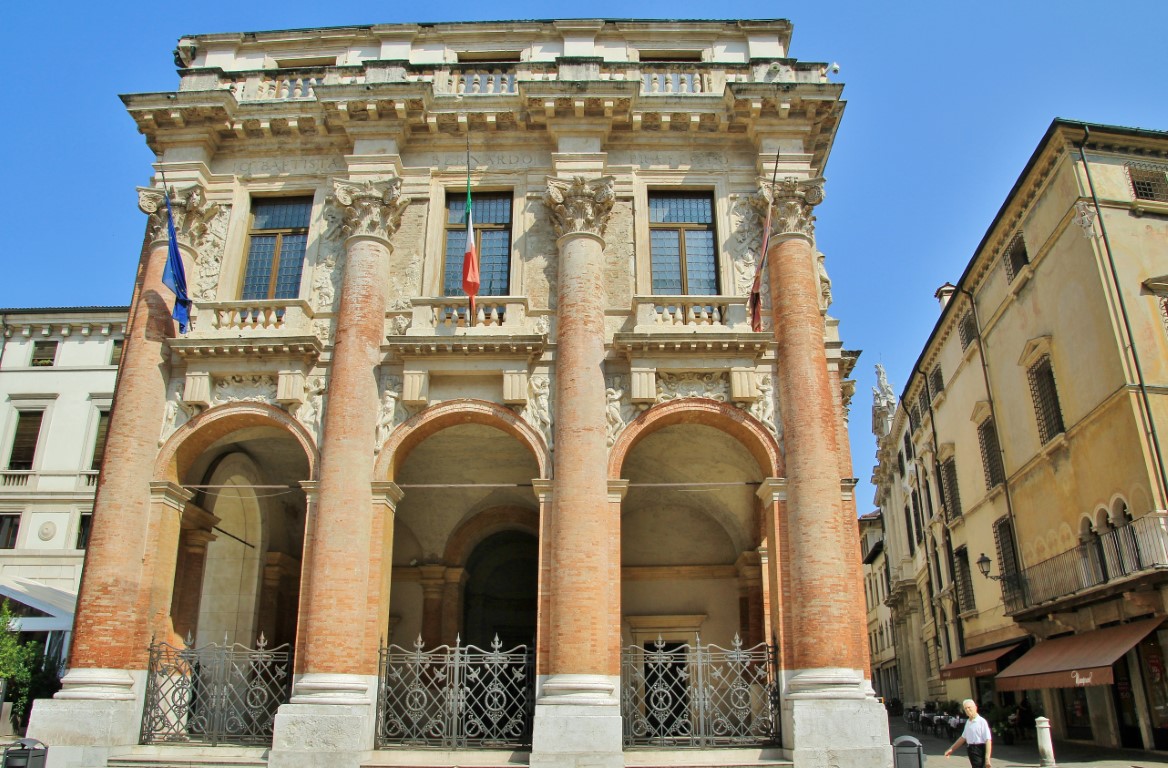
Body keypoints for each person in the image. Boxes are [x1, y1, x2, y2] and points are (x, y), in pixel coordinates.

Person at [945, 698, 992, 768]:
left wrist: (987, 758)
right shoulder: (968, 722)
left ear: (975, 708)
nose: (967, 710)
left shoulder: (981, 721)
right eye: (965, 708)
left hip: (979, 748)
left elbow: (988, 740)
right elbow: (963, 737)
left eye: (969, 707)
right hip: (971, 749)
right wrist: (951, 749)